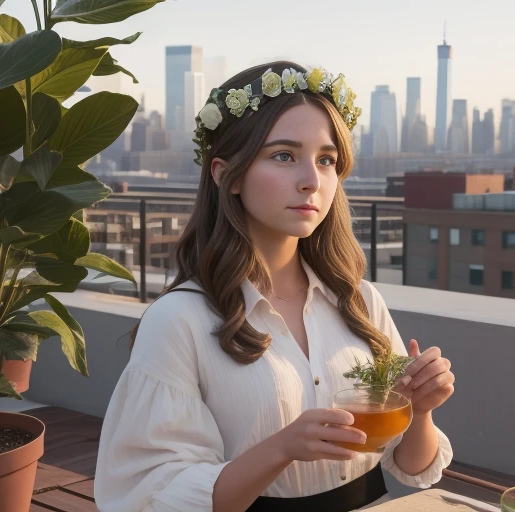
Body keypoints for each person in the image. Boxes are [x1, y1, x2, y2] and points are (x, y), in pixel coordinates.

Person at [94, 61, 455, 512]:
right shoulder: (179, 321)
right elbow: (157, 494)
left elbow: (412, 467)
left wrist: (421, 410)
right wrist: (282, 447)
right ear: (228, 174)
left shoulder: (360, 301)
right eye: (284, 155)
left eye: (326, 160)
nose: (312, 180)